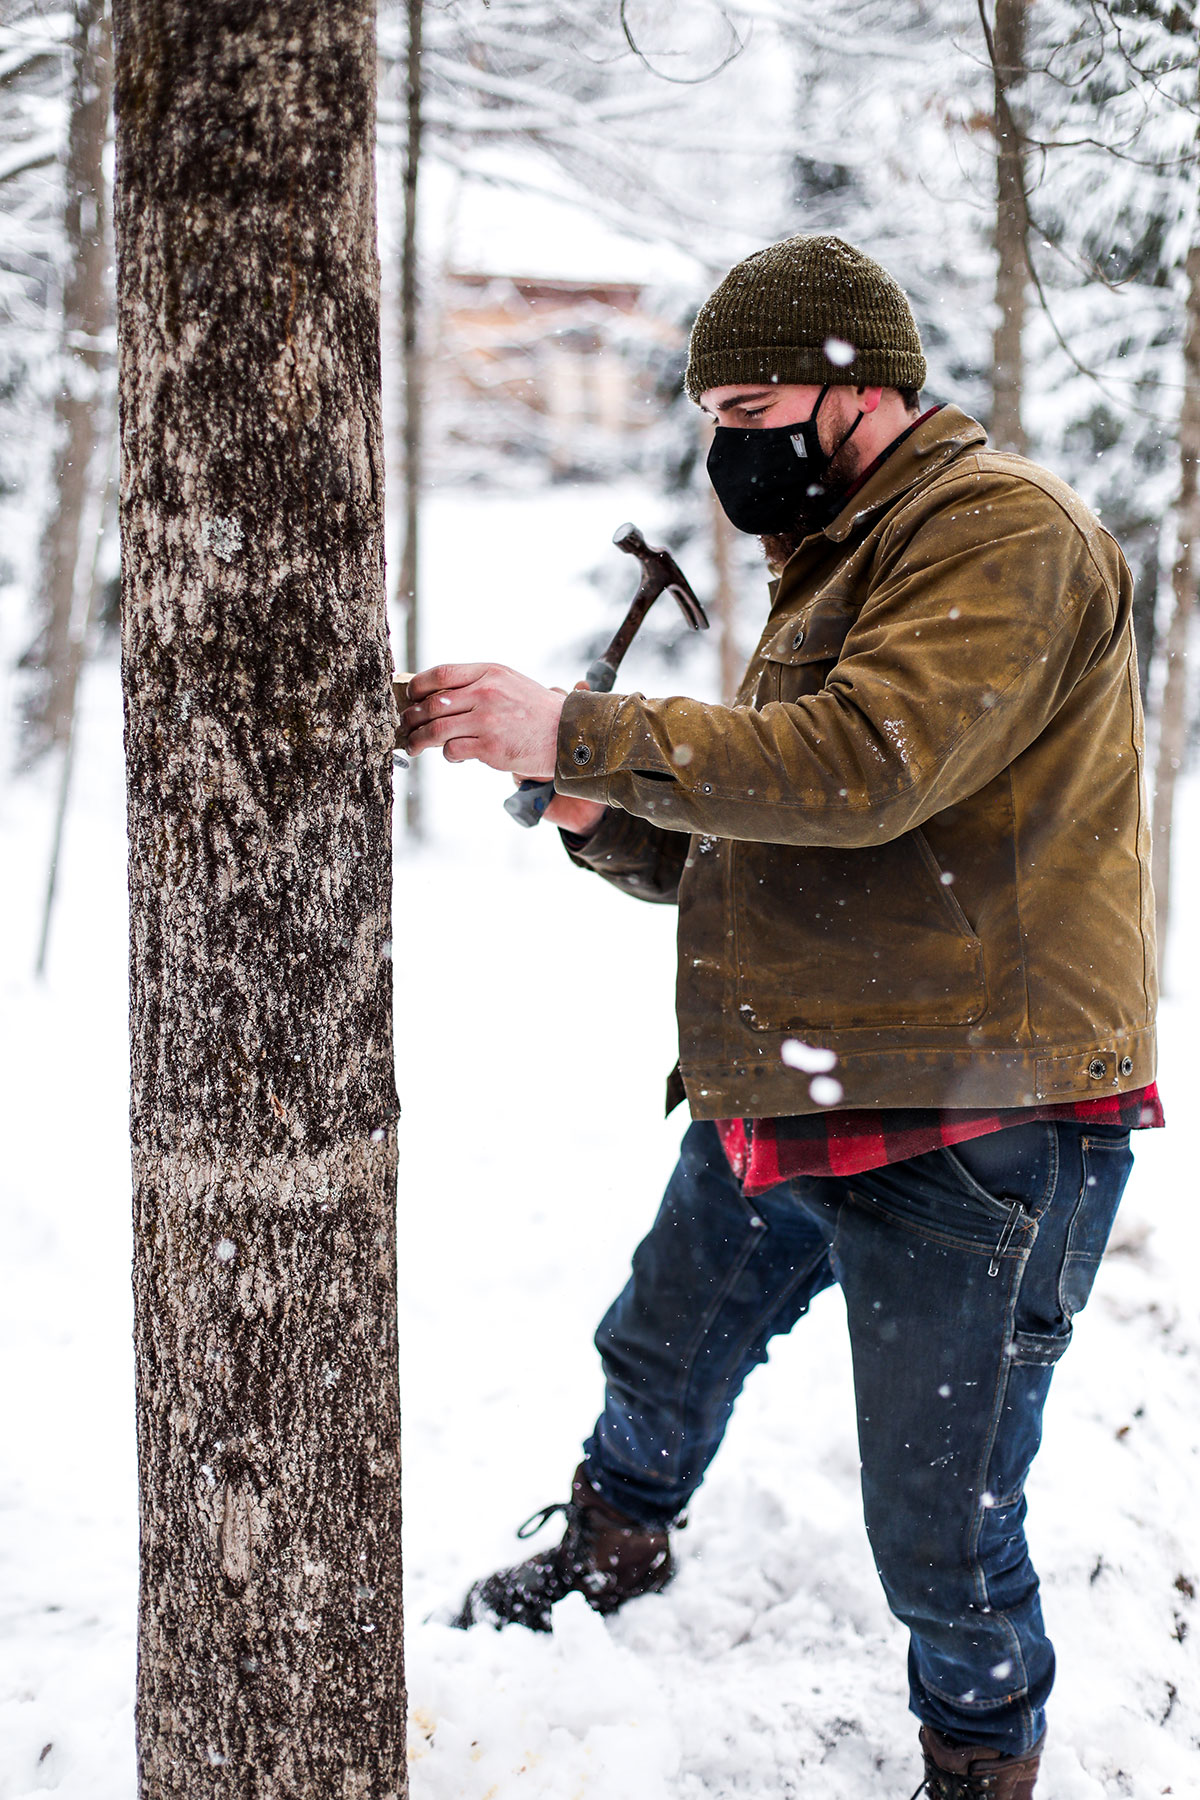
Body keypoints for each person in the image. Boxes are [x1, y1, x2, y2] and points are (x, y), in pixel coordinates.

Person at [399, 235, 1162, 1800]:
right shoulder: (850, 551)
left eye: (752, 404)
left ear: (858, 388)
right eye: (711, 411)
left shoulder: (1001, 532)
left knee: (942, 1518)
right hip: (806, 1068)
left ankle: (980, 1751)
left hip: (977, 1110)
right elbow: (780, 823)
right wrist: (604, 809)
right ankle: (614, 1546)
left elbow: (867, 765)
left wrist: (587, 720)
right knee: (660, 1347)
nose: (727, 443)